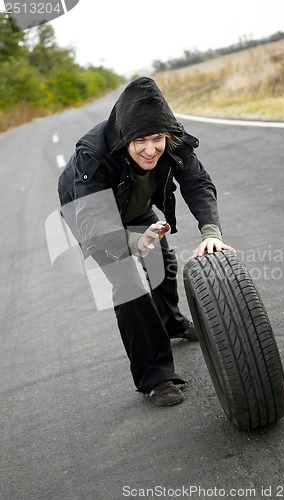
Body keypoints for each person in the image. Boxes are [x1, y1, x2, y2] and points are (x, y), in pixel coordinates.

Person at [58, 76, 234, 407]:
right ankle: (155, 377)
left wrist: (211, 232)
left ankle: (172, 323)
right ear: (125, 137)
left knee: (162, 264)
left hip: (135, 205)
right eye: (140, 141)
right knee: (130, 285)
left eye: (157, 139)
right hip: (92, 214)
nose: (151, 149)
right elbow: (93, 222)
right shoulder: (92, 155)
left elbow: (197, 182)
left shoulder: (172, 138)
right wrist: (131, 242)